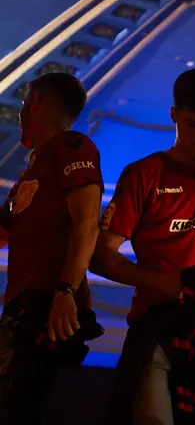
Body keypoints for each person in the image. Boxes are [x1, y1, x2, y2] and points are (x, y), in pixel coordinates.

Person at [92, 69, 195, 424]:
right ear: (173, 115)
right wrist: (164, 283)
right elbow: (101, 256)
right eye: (193, 124)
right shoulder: (143, 175)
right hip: (155, 329)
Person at [0, 72, 104, 423]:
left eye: (25, 103)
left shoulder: (72, 146)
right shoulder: (28, 178)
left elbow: (88, 223)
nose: (19, 114)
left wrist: (65, 292)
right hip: (19, 315)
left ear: (36, 103)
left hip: (49, 312)